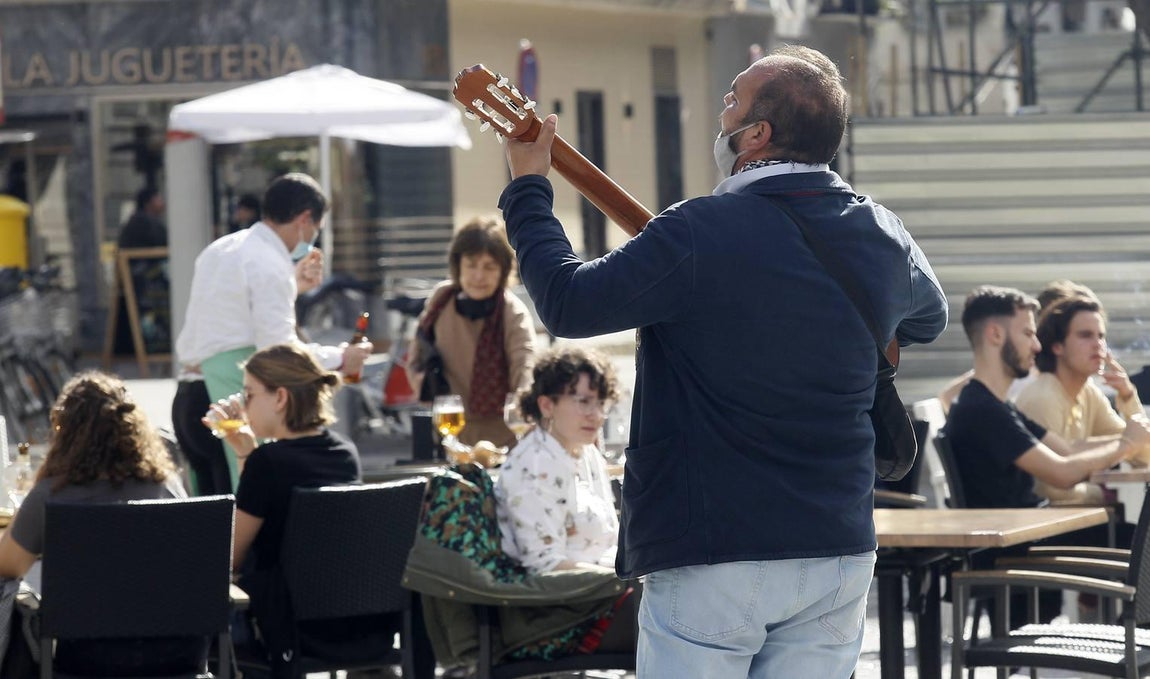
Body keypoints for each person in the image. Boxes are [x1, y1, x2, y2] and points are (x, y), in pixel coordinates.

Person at [498, 45, 948, 678]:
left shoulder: (697, 230)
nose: (721, 111)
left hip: (714, 545)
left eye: (731, 99)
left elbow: (568, 304)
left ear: (756, 135)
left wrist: (527, 189)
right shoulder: (880, 231)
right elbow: (929, 319)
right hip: (836, 544)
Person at [206, 343, 431, 676]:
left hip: (286, 631)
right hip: (362, 624)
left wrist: (250, 460)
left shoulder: (267, 464)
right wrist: (247, 454)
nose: (244, 404)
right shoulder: (344, 452)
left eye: (249, 394)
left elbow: (230, 558)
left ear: (280, 397)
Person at [172, 173, 371, 495]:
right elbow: (280, 352)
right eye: (315, 231)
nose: (311, 239)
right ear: (305, 219)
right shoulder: (269, 263)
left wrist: (292, 285)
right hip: (231, 400)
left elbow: (235, 317)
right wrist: (340, 357)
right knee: (246, 512)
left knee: (206, 525)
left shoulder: (221, 249)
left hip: (189, 397)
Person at [0, 371, 192, 674]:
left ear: (66, 432)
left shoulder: (51, 496)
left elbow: (7, 566)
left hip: (86, 656)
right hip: (175, 652)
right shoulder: (165, 486)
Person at [407, 216, 538, 448]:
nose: (479, 276)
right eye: (471, 265)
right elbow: (416, 355)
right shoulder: (441, 299)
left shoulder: (512, 312)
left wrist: (522, 407)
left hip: (505, 440)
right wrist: (425, 387)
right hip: (449, 436)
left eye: (489, 267)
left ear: (503, 271)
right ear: (458, 265)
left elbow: (525, 369)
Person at [495, 346, 620, 574]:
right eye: (584, 401)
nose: (597, 415)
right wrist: (621, 579)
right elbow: (545, 566)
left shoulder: (586, 452)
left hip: (609, 588)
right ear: (547, 405)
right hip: (569, 602)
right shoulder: (532, 466)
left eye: (601, 403)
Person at [1015, 292, 1145, 503]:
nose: (1098, 345)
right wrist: (1103, 495)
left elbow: (1142, 451)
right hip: (1050, 528)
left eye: (1101, 336)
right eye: (1085, 335)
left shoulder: (1089, 392)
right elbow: (1049, 490)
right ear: (1057, 346)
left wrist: (1129, 396)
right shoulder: (1042, 397)